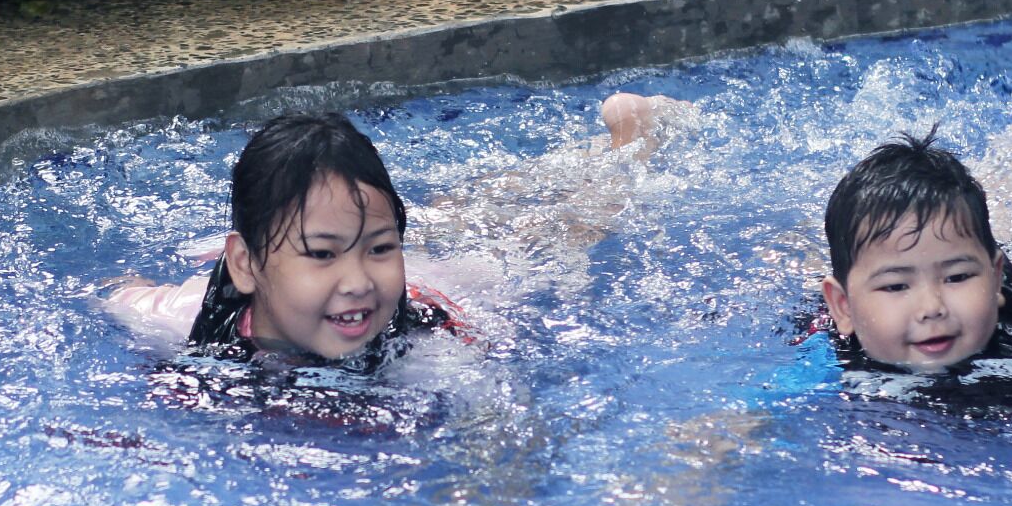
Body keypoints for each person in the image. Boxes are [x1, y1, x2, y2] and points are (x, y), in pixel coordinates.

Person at [104, 98, 680, 368]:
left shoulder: (429, 354)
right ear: (245, 263)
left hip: (455, 288)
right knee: (459, 211)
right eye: (322, 255)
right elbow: (117, 291)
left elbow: (500, 429)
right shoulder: (180, 320)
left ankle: (633, 144)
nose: (358, 283)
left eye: (382, 249)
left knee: (557, 235)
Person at [780, 127, 1012, 405]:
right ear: (844, 308)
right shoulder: (830, 353)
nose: (932, 308)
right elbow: (752, 413)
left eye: (957, 278)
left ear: (996, 279)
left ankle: (1002, 185)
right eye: (896, 286)